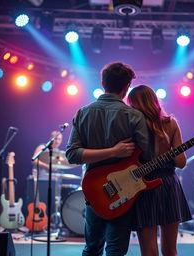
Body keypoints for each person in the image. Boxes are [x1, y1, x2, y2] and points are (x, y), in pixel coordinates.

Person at [66, 62, 152, 256]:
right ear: (126, 87)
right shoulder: (134, 116)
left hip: (94, 189)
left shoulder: (83, 112)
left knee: (91, 248)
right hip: (123, 193)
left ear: (102, 82)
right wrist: (113, 151)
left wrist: (110, 152)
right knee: (115, 249)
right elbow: (147, 157)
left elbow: (72, 154)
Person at [127, 85, 192, 256]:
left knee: (148, 251)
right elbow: (181, 163)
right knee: (171, 250)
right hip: (169, 184)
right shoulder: (171, 123)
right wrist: (169, 151)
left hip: (142, 185)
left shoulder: (132, 125)